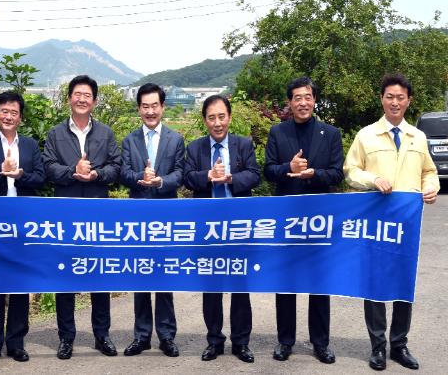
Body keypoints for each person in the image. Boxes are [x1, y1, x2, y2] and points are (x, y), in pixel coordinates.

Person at [344, 73, 439, 371]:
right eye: (390, 97)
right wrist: (373, 179)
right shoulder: (366, 135)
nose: (395, 102)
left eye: (400, 97)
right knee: (374, 283)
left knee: (402, 281)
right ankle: (378, 346)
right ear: (382, 99)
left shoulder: (418, 137)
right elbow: (350, 170)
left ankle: (399, 344)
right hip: (375, 223)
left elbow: (429, 171)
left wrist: (431, 186)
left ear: (408, 101)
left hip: (406, 224)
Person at [264, 76, 344, 365]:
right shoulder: (278, 132)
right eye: (297, 97)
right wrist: (289, 167)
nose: (303, 102)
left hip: (319, 219)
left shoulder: (330, 133)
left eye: (307, 97)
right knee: (286, 282)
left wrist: (314, 174)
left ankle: (321, 342)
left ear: (314, 100)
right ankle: (285, 341)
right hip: (287, 219)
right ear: (289, 102)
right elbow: (268, 171)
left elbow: (337, 174)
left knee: (319, 282)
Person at [43, 75, 121, 359]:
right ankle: (66, 337)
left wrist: (96, 174)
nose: (82, 99)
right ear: (69, 99)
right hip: (65, 214)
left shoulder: (106, 133)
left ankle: (102, 335)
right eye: (77, 94)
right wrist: (72, 172)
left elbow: (116, 167)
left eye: (87, 95)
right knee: (65, 275)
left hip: (98, 214)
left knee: (99, 275)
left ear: (95, 101)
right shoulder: (55, 134)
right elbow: (48, 167)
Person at [184, 94, 260, 363]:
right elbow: (187, 177)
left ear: (229, 117)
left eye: (221, 116)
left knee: (240, 284)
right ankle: (214, 340)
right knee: (211, 286)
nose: (217, 123)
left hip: (238, 225)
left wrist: (230, 179)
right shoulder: (195, 148)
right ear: (205, 120)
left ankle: (241, 342)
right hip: (209, 228)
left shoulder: (243, 144)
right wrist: (207, 176)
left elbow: (254, 174)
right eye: (211, 117)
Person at [0, 91, 45, 366]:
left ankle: (16, 343)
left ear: (21, 118)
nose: (9, 116)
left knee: (19, 284)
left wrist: (21, 175)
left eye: (14, 112)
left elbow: (41, 178)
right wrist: (0, 170)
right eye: (4, 111)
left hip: (23, 223)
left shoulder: (31, 145)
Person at [120, 83, 184, 358]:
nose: (150, 111)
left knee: (164, 277)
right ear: (139, 109)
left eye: (154, 105)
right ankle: (142, 336)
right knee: (141, 275)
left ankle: (167, 336)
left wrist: (160, 181)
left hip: (166, 215)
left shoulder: (175, 139)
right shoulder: (130, 140)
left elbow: (180, 173)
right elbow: (123, 173)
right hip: (138, 217)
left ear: (162, 107)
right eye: (145, 106)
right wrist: (140, 177)